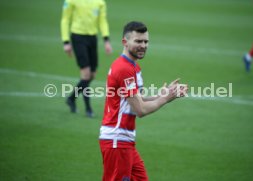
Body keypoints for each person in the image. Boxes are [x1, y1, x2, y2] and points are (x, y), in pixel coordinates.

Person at [98, 21, 188, 181]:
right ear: (125, 42)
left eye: (146, 41)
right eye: (138, 41)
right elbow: (140, 110)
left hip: (125, 141)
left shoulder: (132, 67)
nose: (143, 45)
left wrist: (161, 94)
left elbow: (136, 99)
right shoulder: (124, 69)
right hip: (117, 141)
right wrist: (166, 99)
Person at [60, 0, 113, 117]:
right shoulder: (71, 1)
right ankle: (88, 109)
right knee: (86, 74)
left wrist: (106, 40)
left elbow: (102, 21)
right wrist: (66, 42)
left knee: (92, 74)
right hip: (78, 37)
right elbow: (65, 20)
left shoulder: (100, 3)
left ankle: (71, 98)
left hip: (92, 38)